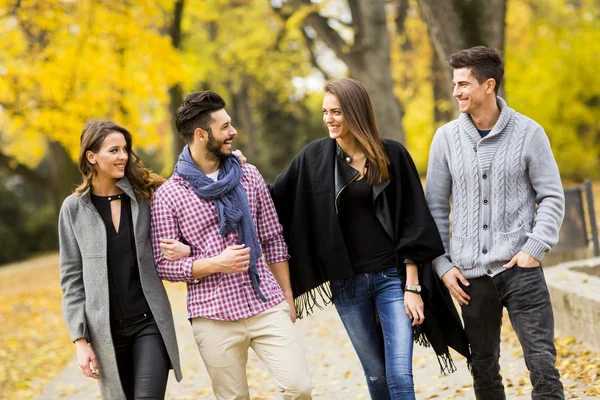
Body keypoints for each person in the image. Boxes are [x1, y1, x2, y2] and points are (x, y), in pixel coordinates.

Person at [270, 78, 470, 400]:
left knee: (400, 375)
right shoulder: (315, 159)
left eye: (336, 112)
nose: (329, 119)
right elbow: (273, 199)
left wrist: (413, 286)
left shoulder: (391, 154)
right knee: (376, 375)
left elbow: (413, 221)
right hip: (347, 285)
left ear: (355, 112)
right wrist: (240, 173)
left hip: (392, 278)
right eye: (325, 112)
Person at [150, 91, 312, 400]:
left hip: (265, 302)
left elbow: (273, 238)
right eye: (224, 127)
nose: (233, 132)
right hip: (213, 315)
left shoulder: (247, 175)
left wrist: (287, 297)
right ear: (201, 134)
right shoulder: (169, 196)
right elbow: (163, 264)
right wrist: (214, 263)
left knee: (299, 387)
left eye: (231, 125)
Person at [425, 46, 565, 400]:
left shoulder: (529, 133)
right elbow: (435, 209)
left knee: (543, 365)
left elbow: (551, 196)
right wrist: (442, 265)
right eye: (454, 84)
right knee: (484, 369)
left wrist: (534, 248)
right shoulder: (445, 140)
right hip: (470, 278)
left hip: (521, 270)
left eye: (463, 84)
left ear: (489, 85)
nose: (456, 91)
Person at [58, 120, 185, 399]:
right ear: (92, 157)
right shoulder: (73, 210)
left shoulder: (145, 196)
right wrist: (80, 341)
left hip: (149, 323)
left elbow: (187, 193)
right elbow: (71, 281)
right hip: (106, 336)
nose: (123, 156)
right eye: (114, 150)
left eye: (125, 149)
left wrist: (228, 162)